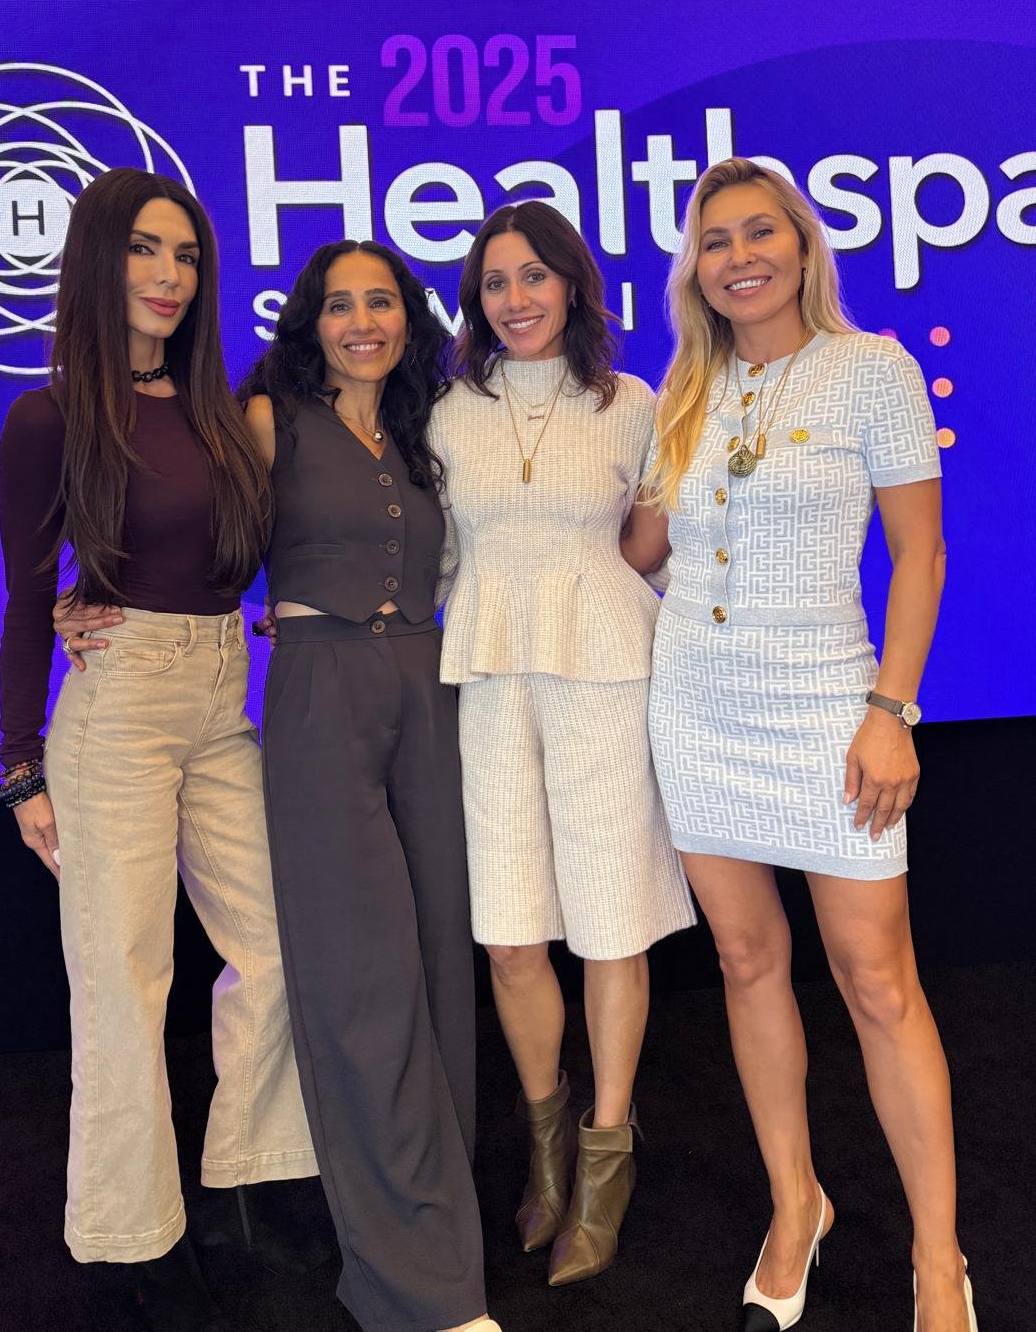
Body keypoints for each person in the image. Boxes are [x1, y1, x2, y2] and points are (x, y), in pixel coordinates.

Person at [58, 240, 501, 1332]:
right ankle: (415, 1283)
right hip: (317, 694)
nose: (364, 321)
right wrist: (86, 594)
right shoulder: (265, 416)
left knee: (444, 955)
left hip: (428, 693)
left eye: (383, 302)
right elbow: (193, 542)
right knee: (361, 975)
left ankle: (441, 1215)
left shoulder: (427, 424)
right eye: (341, 304)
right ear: (311, 319)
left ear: (409, 317)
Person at [626, 158, 975, 1332]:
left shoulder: (873, 368)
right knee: (743, 961)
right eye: (714, 241)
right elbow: (638, 548)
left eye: (758, 232)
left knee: (878, 982)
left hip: (831, 707)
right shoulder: (686, 386)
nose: (738, 257)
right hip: (698, 708)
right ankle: (796, 1204)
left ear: (803, 244)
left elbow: (919, 558)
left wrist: (894, 709)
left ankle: (940, 1260)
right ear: (696, 269)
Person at [0, 167, 316, 1330]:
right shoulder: (49, 417)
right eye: (144, 250)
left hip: (223, 692)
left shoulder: (221, 412)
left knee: (281, 946)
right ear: (96, 260)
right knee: (124, 982)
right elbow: (28, 597)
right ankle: (131, 1241)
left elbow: (252, 555)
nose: (169, 275)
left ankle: (247, 1173)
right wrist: (21, 762)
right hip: (116, 709)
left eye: (185, 255)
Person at [429, 201, 696, 1288]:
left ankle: (605, 1157)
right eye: (496, 282)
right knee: (509, 937)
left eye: (536, 276)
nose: (517, 298)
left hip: (607, 682)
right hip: (490, 685)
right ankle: (544, 1142)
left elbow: (662, 541)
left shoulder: (633, 403)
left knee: (611, 930)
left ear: (573, 286)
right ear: (476, 302)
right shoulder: (446, 411)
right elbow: (431, 557)